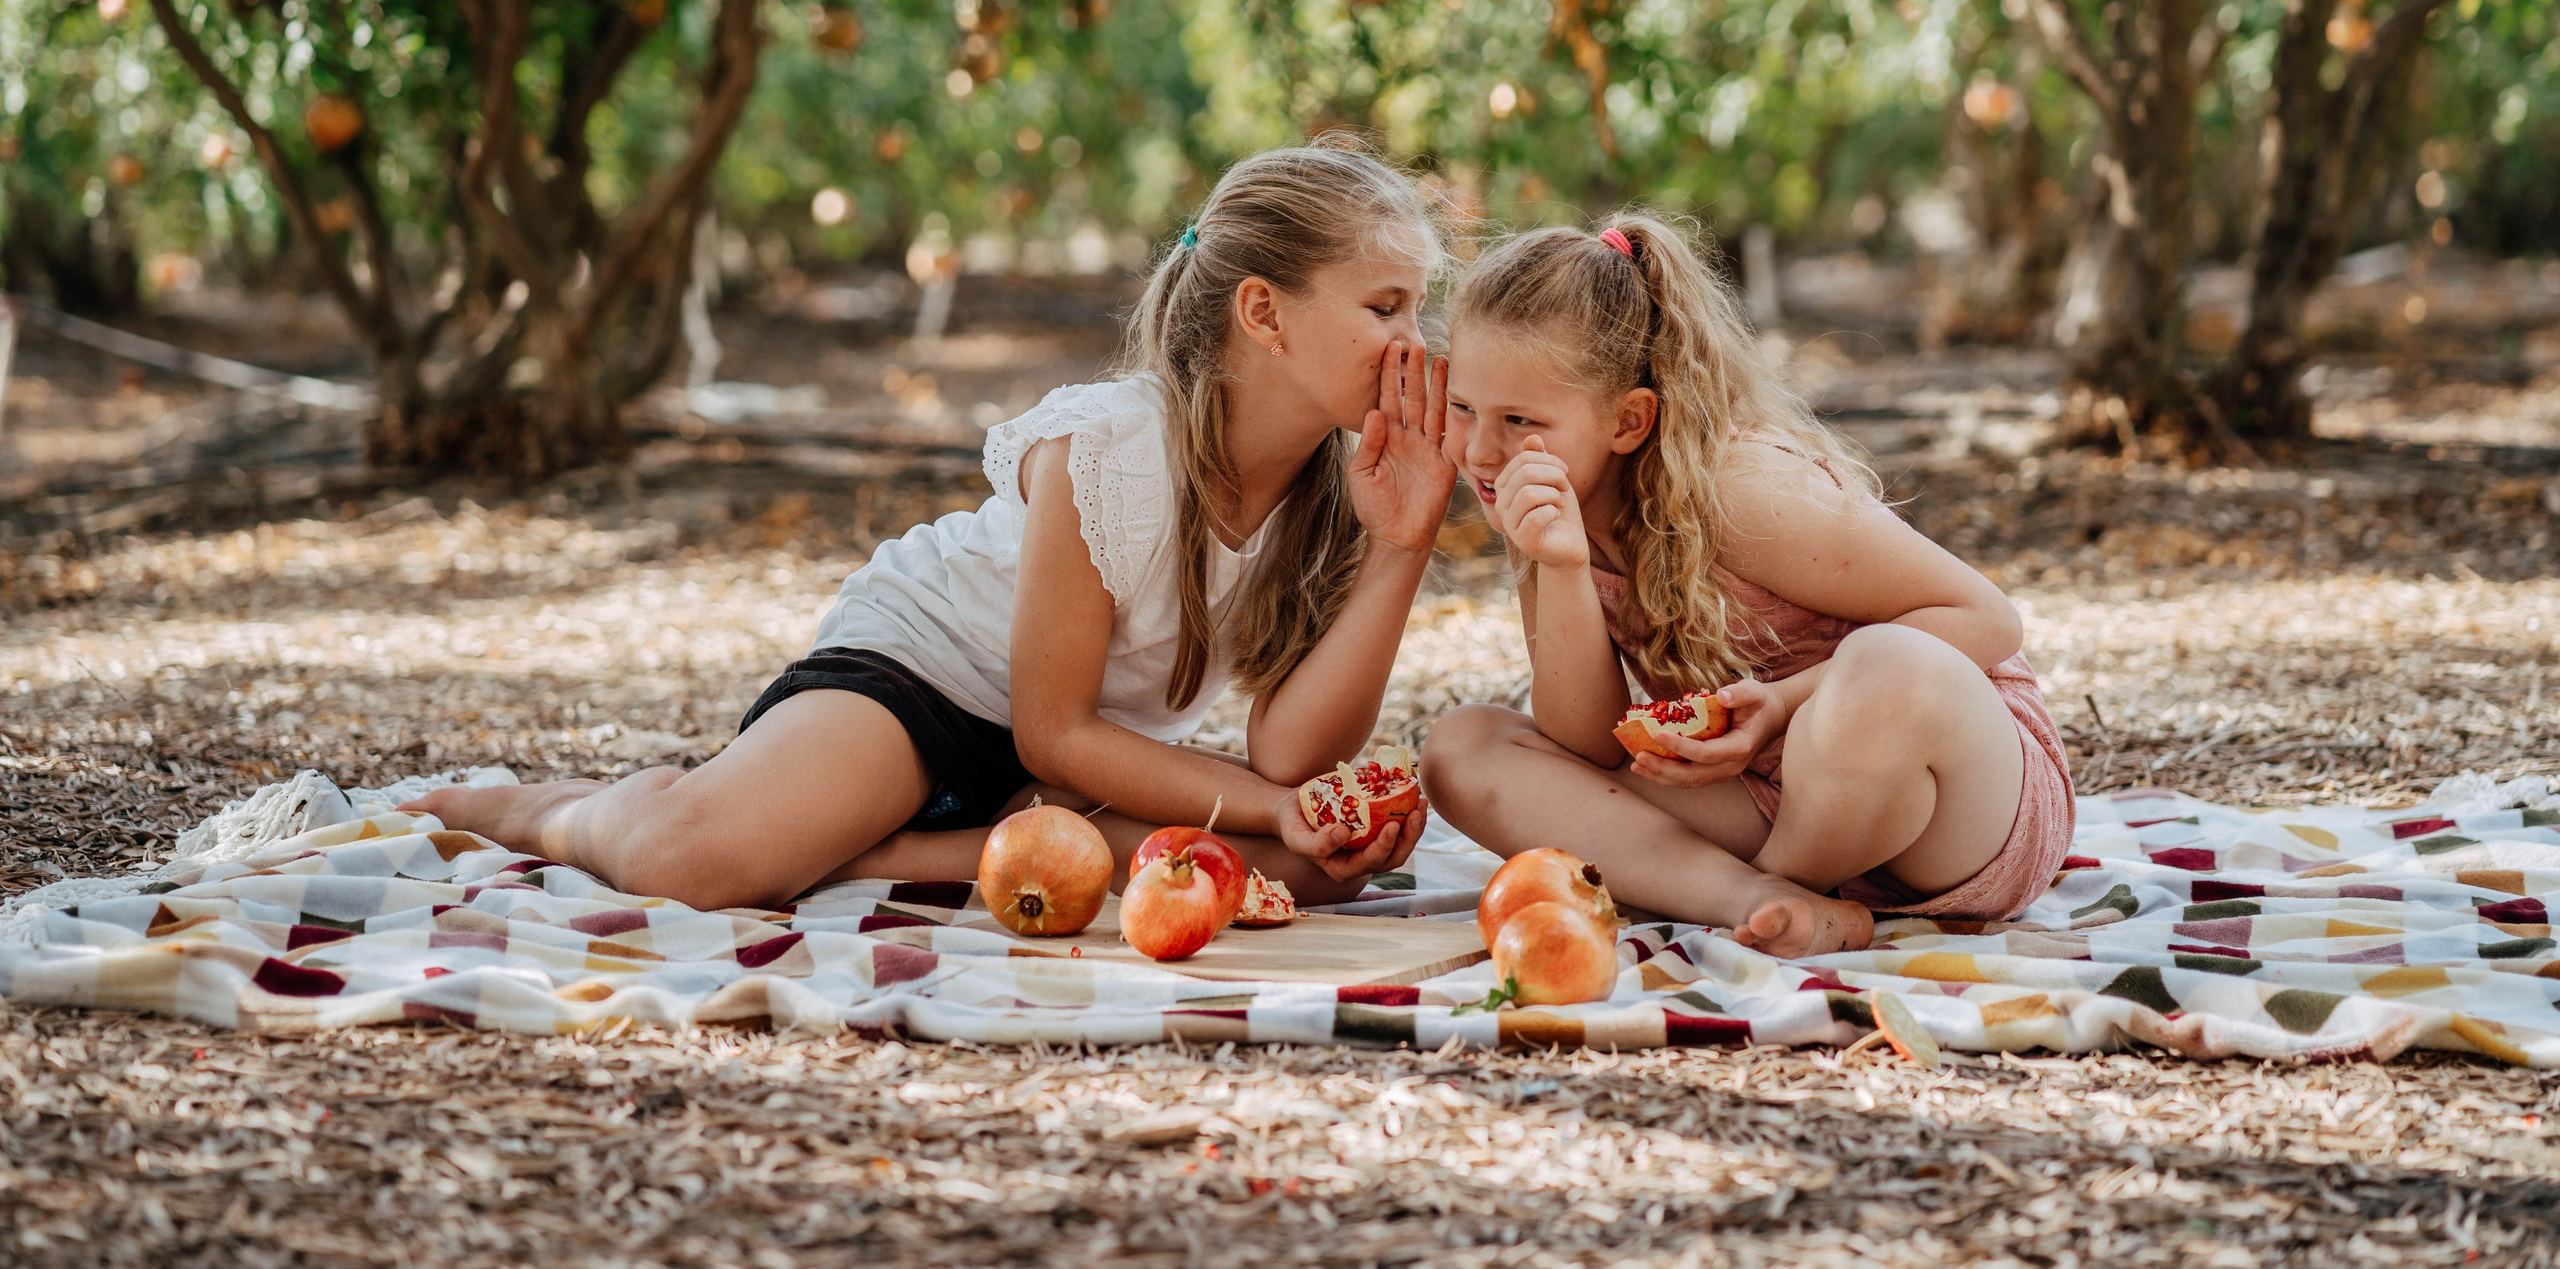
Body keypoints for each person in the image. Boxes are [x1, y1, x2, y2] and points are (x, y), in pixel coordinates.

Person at [409, 142, 1455, 910]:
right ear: (1264, 314)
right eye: (1386, 307)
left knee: (1321, 870)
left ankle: (890, 854)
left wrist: (1401, 546)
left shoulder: (1342, 484)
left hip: (1069, 768)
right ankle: (551, 807)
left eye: (1418, 307)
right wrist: (1276, 806)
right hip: (929, 686)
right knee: (694, 865)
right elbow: (1056, 726)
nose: (1416, 341)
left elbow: (1287, 755)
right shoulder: (1111, 450)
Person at [1420, 216, 2072, 959]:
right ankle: (1761, 903)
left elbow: (1987, 617)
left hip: (1947, 804)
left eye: (1519, 419)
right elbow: (1584, 740)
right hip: (1768, 797)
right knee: (1462, 746)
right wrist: (1561, 566)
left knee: (1884, 669)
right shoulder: (1542, 499)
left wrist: (1791, 702)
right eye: (1465, 407)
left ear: (1629, 421)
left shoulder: (1742, 490)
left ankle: (1774, 877)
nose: (1479, 448)